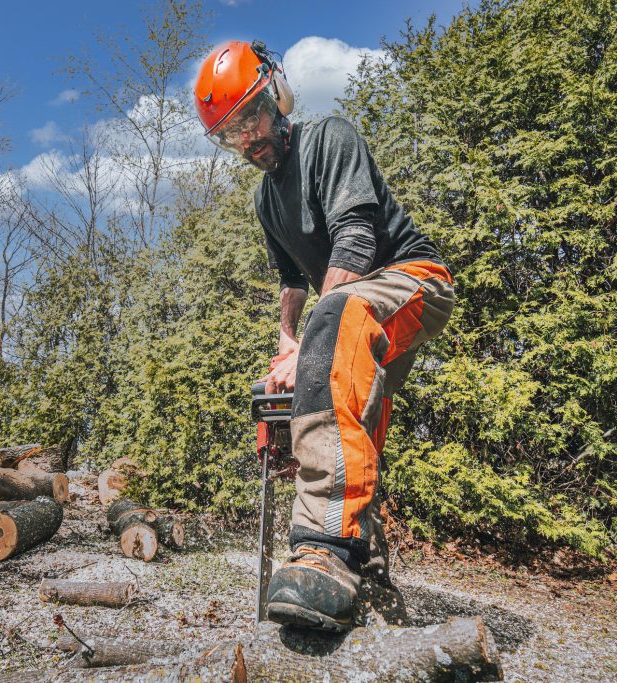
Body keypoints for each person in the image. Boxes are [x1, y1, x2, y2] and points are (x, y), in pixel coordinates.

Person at [194, 40, 455, 631]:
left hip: (412, 282)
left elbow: (357, 241)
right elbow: (292, 281)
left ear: (276, 96)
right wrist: (289, 341)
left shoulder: (328, 139)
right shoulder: (266, 200)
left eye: (251, 118)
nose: (248, 139)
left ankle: (322, 548)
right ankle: (372, 584)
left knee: (332, 325)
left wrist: (315, 334)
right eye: (231, 133)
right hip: (356, 312)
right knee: (355, 425)